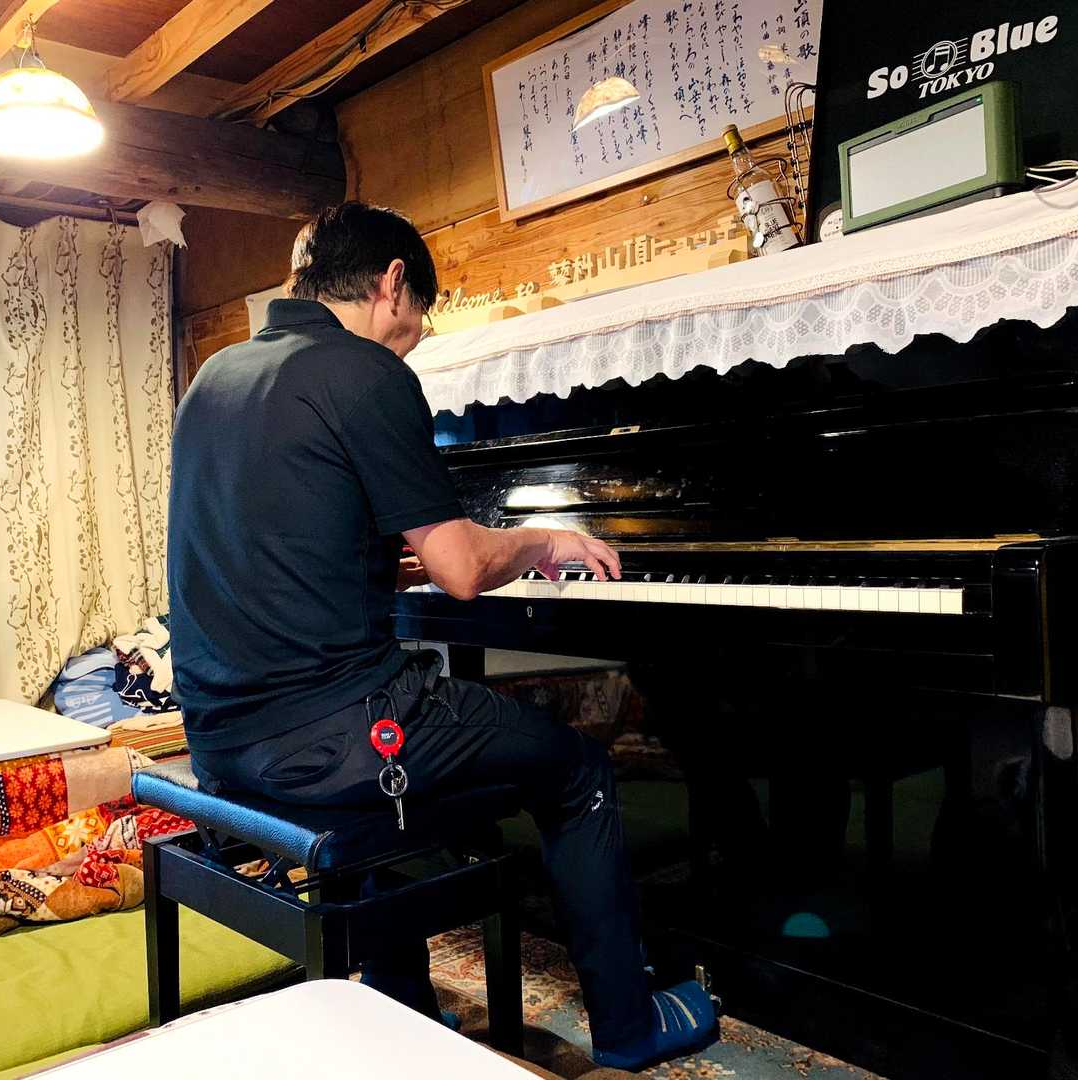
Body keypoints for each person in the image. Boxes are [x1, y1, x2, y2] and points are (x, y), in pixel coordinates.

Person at [168, 202, 716, 1069]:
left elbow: (269, 555)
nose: (415, 337)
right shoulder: (364, 370)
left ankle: (405, 1006)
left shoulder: (216, 375)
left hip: (221, 740)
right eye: (421, 315)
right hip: (332, 743)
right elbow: (462, 569)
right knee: (579, 768)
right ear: (393, 284)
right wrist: (544, 541)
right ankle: (628, 1027)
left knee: (389, 732)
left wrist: (382, 564)